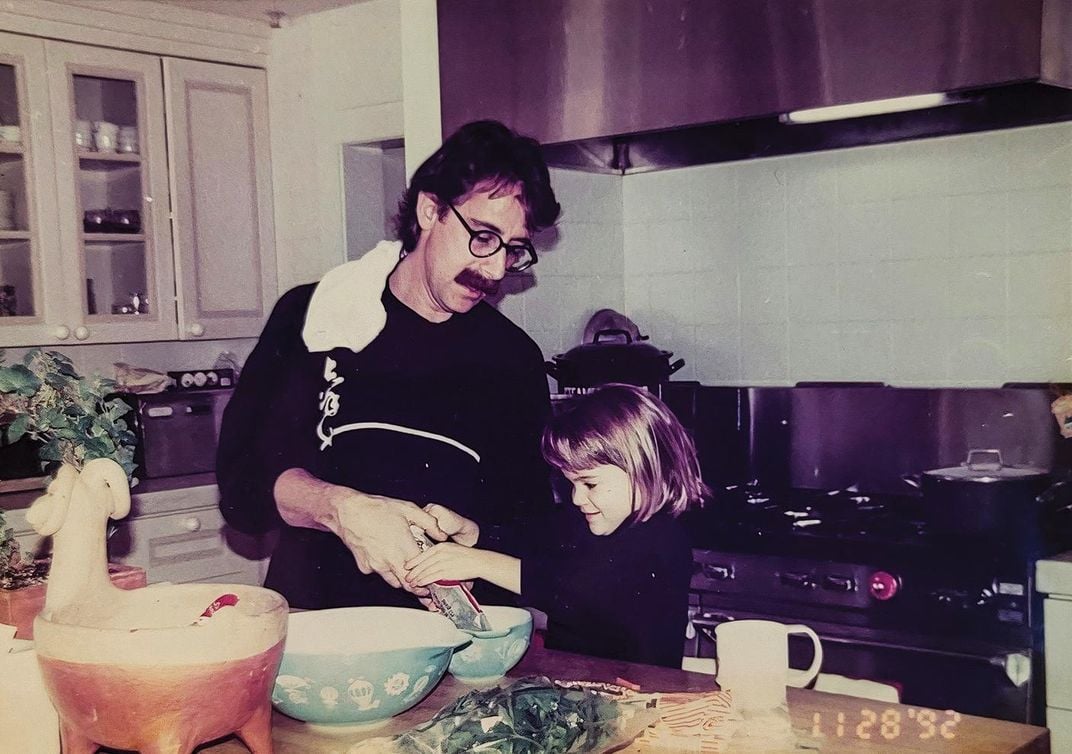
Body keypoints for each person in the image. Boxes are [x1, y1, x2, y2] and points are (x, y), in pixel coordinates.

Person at [216, 120, 561, 610]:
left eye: (513, 249)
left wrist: (473, 534)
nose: (495, 269)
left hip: (449, 641)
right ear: (429, 209)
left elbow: (531, 528)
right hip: (318, 624)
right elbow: (242, 490)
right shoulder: (316, 316)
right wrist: (342, 508)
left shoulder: (512, 359)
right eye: (483, 237)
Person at [405, 383, 710, 668]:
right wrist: (471, 533)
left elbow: (578, 591)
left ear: (645, 467)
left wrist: (480, 563)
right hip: (579, 689)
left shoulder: (662, 539)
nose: (577, 497)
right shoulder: (584, 519)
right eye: (570, 483)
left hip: (645, 696)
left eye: (589, 483)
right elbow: (528, 542)